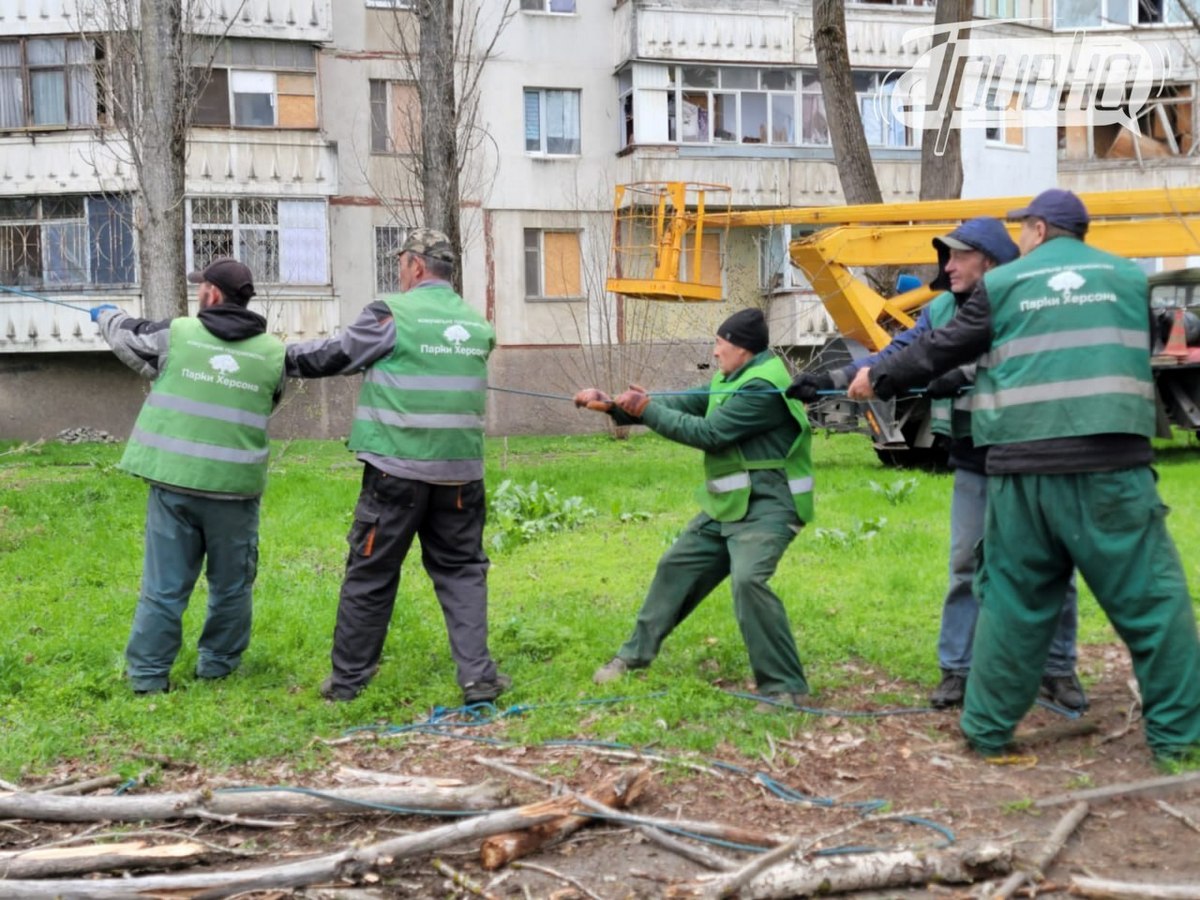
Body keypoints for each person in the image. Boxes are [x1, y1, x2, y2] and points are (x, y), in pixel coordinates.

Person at [849, 189, 1200, 761]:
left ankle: (987, 733)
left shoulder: (1006, 284)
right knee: (1155, 606)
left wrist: (878, 375)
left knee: (1013, 604)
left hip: (1021, 470)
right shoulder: (1130, 282)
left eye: (1023, 231)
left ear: (1038, 229)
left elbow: (942, 346)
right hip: (1110, 467)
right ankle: (1179, 744)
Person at [787, 218, 1086, 713]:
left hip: (1034, 452)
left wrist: (960, 370)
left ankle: (1056, 669)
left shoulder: (1026, 299)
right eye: (945, 256)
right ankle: (958, 670)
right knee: (966, 564)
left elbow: (1018, 356)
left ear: (989, 259)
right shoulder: (942, 306)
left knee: (1049, 563)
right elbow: (903, 352)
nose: (946, 266)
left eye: (957, 256)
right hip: (973, 454)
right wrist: (826, 378)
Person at [284, 228, 509, 705]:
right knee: (463, 572)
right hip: (461, 477)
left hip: (396, 475)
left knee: (371, 572)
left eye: (401, 263)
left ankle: (347, 684)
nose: (399, 272)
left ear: (417, 266)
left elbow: (338, 354)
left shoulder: (392, 314)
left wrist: (276, 358)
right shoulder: (476, 325)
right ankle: (479, 679)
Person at [576, 308, 814, 710]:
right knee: (676, 565)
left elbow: (710, 433)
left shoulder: (764, 388)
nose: (715, 351)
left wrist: (645, 409)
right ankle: (632, 657)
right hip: (730, 505)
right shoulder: (733, 377)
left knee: (749, 582)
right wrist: (616, 405)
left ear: (740, 347)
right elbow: (685, 401)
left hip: (770, 505)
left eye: (719, 344)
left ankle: (785, 687)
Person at [92, 258, 285, 694]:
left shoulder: (177, 335)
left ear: (213, 294)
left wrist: (107, 314)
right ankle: (218, 667)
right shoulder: (274, 352)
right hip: (235, 491)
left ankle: (147, 677)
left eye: (202, 287)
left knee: (164, 586)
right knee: (232, 585)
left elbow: (128, 340)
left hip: (174, 485)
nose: (199, 292)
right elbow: (265, 402)